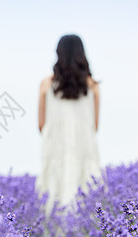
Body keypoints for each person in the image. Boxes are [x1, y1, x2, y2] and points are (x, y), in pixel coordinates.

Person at [35, 34, 101, 214]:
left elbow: (41, 124)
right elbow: (95, 125)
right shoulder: (93, 85)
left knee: (54, 189)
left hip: (55, 146)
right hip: (84, 145)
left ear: (58, 53)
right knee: (85, 188)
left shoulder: (46, 84)